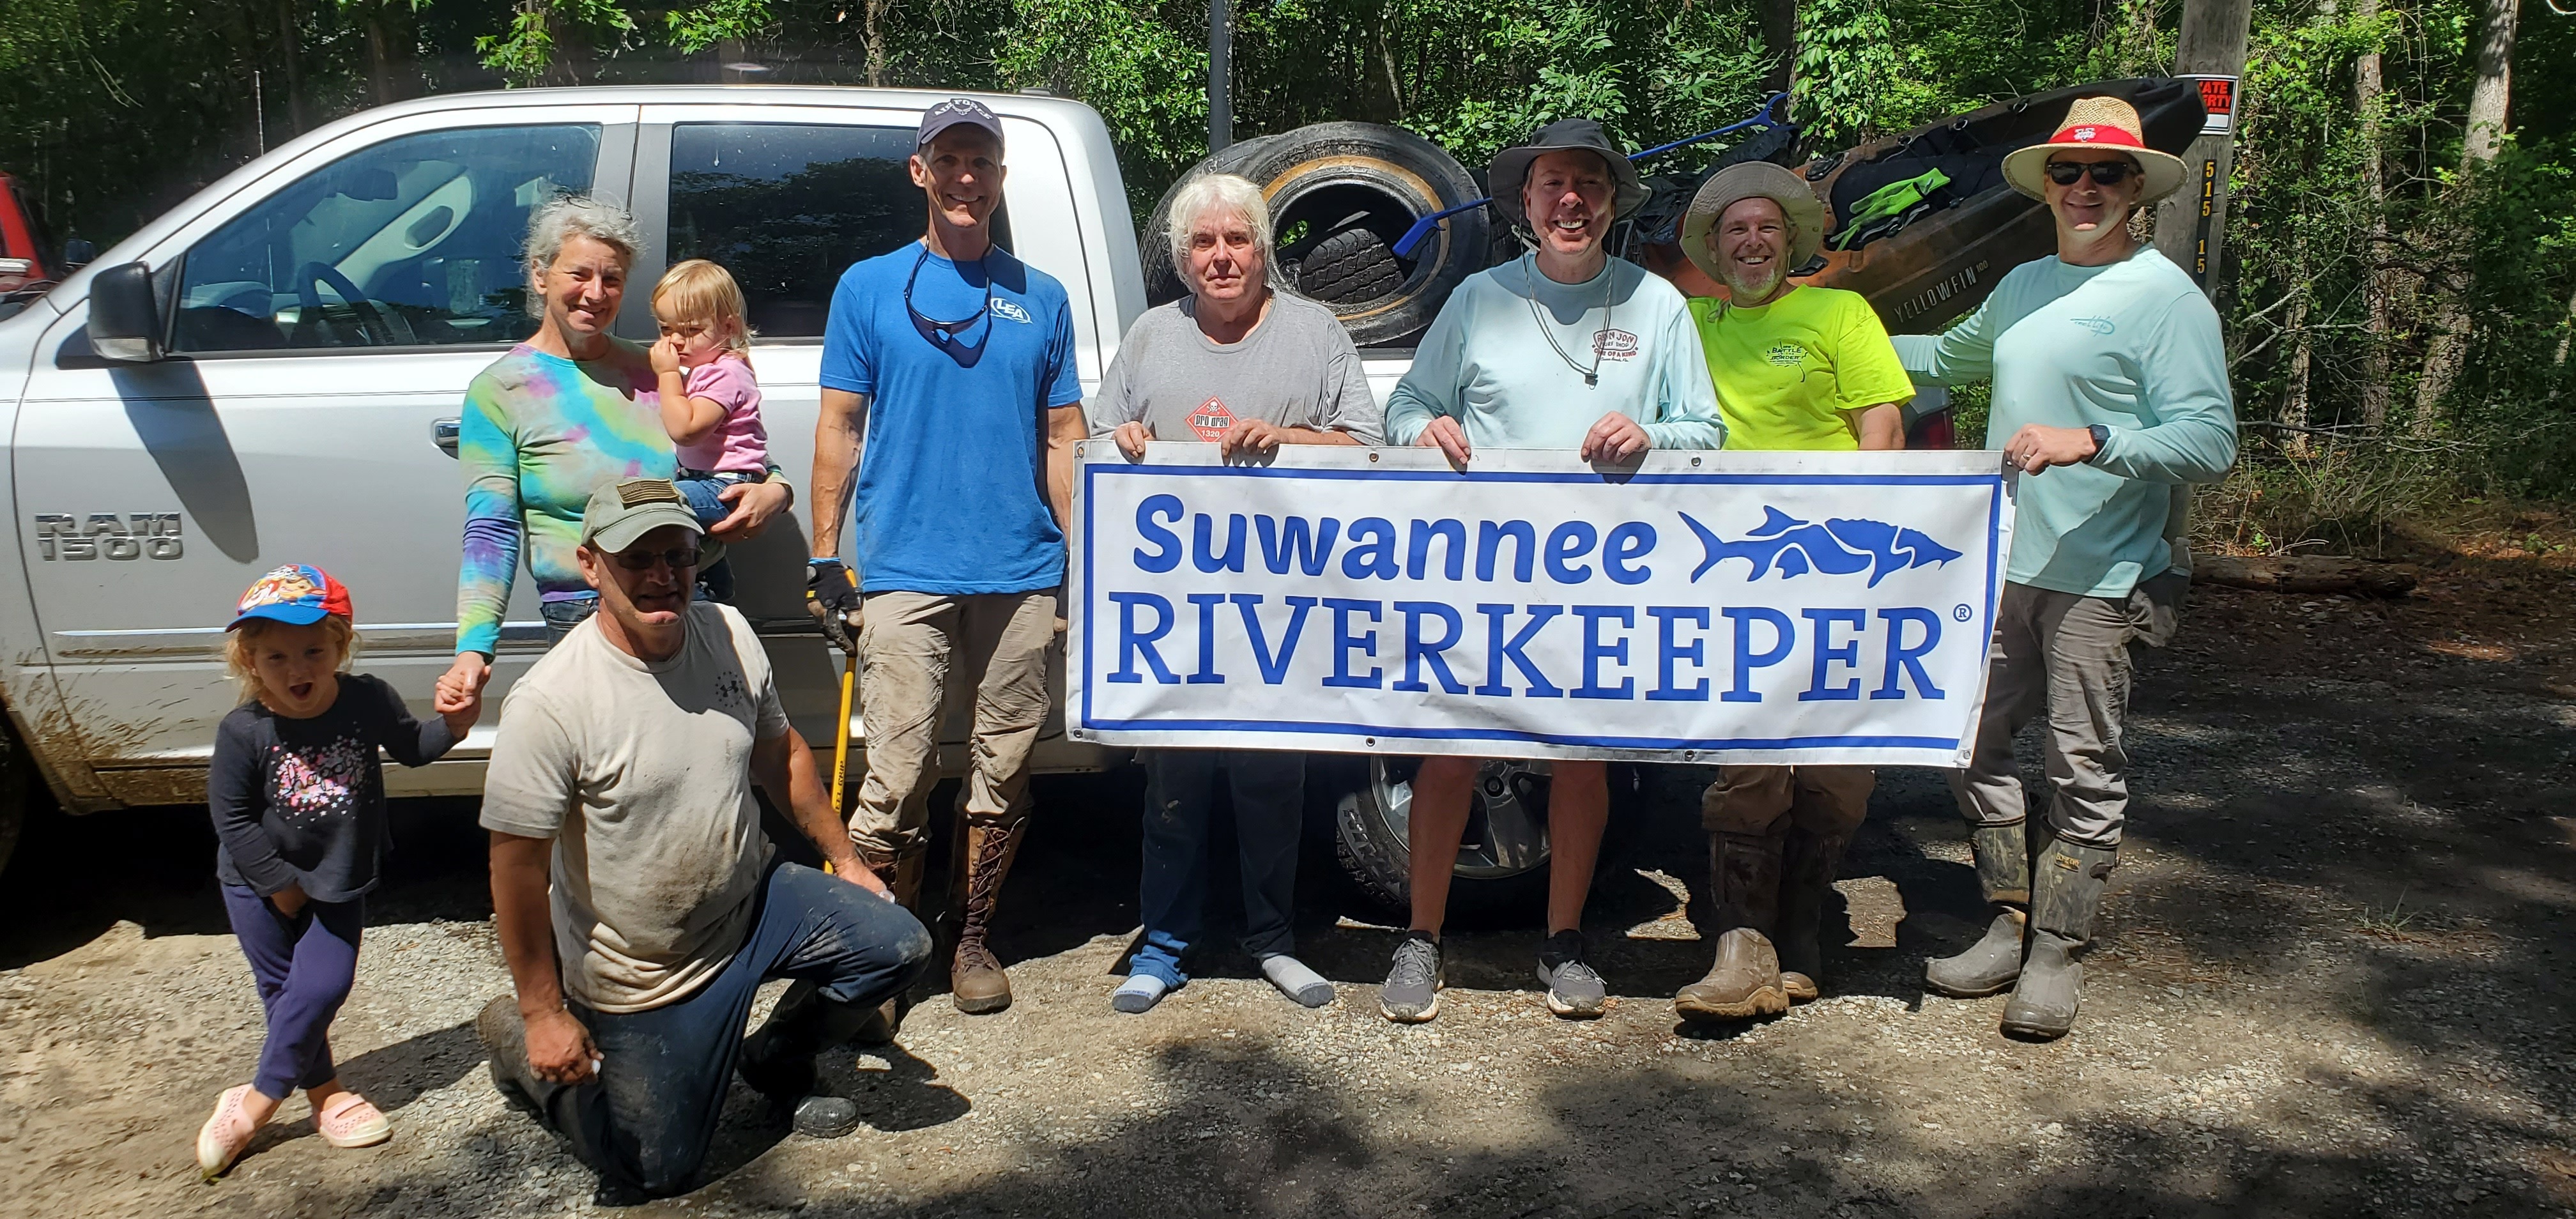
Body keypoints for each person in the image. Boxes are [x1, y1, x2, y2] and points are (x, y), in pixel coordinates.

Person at [473, 479, 931, 1204]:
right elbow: (516, 868)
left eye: (679, 556)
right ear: (591, 565)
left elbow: (780, 757)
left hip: (752, 902)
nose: (663, 576)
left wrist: (848, 862)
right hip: (647, 970)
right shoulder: (551, 702)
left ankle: (776, 1057)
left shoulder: (728, 631)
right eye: (638, 559)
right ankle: (514, 1047)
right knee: (654, 1170)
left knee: (899, 945)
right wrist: (540, 1013)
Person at [1894, 96, 2237, 1039]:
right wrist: (1815, 336)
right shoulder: (2023, 284)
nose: (2085, 188)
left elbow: (2210, 441)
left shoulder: (2167, 300)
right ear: (2047, 184)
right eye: (2069, 172)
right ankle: (2011, 917)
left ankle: (2059, 950)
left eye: (2106, 174)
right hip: (2000, 564)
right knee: (1969, 741)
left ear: (2137, 189)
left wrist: (2094, 440)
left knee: (2083, 762)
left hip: (2104, 571)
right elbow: (1946, 358)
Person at [1379, 118, 1726, 1023]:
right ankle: (1421, 938)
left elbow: (1708, 432)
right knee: (1450, 748)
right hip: (1483, 570)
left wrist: (1652, 432)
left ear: (1613, 202)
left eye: (1589, 186)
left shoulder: (1657, 306)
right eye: (1552, 186)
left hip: (1607, 577)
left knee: (1579, 756)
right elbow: (1410, 402)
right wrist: (1424, 428)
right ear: (1525, 205)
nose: (1570, 201)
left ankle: (1565, 940)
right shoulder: (1479, 299)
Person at [806, 98, 1085, 1019]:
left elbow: (1062, 437)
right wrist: (824, 554)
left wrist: (1082, 559)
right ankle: (883, 954)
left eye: (984, 163)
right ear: (920, 172)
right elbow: (840, 427)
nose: (968, 178)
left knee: (1003, 766)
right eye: (950, 160)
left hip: (1018, 568)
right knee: (896, 769)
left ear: (1001, 179)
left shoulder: (1041, 297)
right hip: (903, 569)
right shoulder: (868, 287)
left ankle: (970, 940)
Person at [1091, 172, 1383, 1014]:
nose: (1222, 257)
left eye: (1238, 239)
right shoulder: (1150, 337)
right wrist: (1128, 437)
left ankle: (1273, 941)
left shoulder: (1317, 332)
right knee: (1172, 790)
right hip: (1178, 614)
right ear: (1183, 260)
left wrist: (1288, 439)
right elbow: (1102, 439)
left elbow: (1369, 446)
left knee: (1271, 784)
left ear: (1264, 249)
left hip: (1285, 611)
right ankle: (1165, 946)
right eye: (1205, 244)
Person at [1669, 161, 1914, 1020]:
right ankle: (1744, 946)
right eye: (1734, 230)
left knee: (1841, 760)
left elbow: (1882, 432)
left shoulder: (1839, 312)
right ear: (1710, 247)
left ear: (1792, 239)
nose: (1751, 241)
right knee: (1754, 751)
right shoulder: (1687, 319)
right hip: (1744, 572)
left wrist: (1873, 553)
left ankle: (1804, 924)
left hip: (1840, 567)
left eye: (1766, 227)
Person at [439, 195, 793, 711]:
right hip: (584, 614)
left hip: (694, 601)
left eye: (612, 279)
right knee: (605, 775)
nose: (596, 294)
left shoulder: (662, 366)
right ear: (540, 276)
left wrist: (774, 492)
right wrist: (473, 648)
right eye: (579, 274)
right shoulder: (502, 390)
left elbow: (735, 450)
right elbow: (491, 531)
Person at [195, 565, 475, 1179]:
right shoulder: (246, 731)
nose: (297, 670)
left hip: (339, 875)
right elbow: (232, 817)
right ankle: (326, 1097)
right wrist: (278, 884)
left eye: (312, 651)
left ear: (340, 646)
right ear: (249, 659)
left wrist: (454, 723)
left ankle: (253, 1106)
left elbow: (413, 746)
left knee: (322, 986)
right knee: (285, 996)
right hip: (253, 882)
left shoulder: (366, 698)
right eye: (276, 657)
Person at [649, 257, 770, 604]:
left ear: (729, 328)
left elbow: (686, 430)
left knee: (655, 505)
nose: (675, 342)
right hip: (712, 478)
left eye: (690, 330)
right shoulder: (711, 367)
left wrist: (667, 375)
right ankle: (715, 581)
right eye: (665, 329)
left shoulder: (724, 373)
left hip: (726, 484)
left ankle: (707, 586)